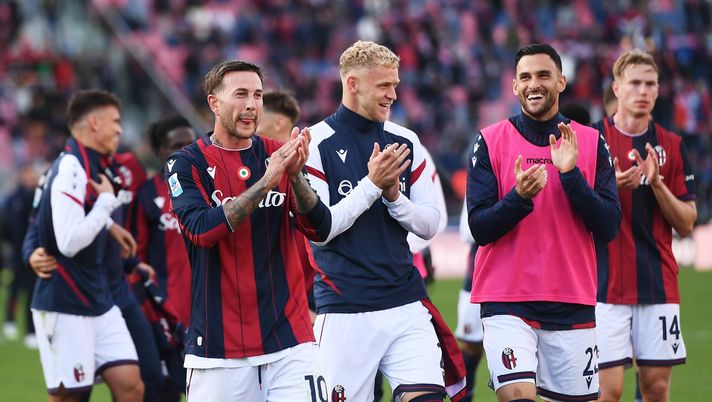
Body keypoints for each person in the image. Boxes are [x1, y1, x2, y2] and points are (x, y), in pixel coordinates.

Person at [306, 40, 464, 402]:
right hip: (345, 307)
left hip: (405, 301)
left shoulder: (405, 140)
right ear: (352, 84)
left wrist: (394, 198)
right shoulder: (316, 142)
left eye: (395, 84)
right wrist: (372, 185)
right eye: (383, 85)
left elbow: (429, 225)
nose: (393, 94)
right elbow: (323, 229)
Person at [166, 60, 330, 402]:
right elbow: (200, 230)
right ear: (214, 103)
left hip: (290, 341)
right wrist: (268, 181)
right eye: (240, 94)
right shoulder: (186, 163)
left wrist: (296, 177)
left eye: (257, 95)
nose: (252, 104)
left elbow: (320, 228)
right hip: (218, 349)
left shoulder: (279, 154)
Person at [466, 43, 621, 402]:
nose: (534, 84)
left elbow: (610, 226)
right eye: (525, 77)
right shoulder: (489, 141)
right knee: (518, 396)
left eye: (543, 75)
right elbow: (480, 227)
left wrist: (571, 176)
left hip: (573, 299)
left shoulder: (591, 142)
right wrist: (518, 198)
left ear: (561, 82)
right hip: (507, 301)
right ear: (515, 87)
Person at [26, 90, 144, 402]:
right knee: (69, 397)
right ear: (93, 123)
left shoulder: (93, 166)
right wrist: (106, 204)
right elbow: (67, 242)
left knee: (131, 386)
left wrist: (108, 225)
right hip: (65, 301)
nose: (120, 129)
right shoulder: (70, 167)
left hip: (98, 298)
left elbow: (77, 215)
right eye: (115, 122)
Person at [593, 49, 697, 402]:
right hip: (603, 288)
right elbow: (568, 210)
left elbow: (686, 223)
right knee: (607, 393)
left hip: (658, 286)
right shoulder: (591, 140)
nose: (643, 90)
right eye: (635, 83)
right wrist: (609, 187)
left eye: (650, 83)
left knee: (656, 389)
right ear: (617, 88)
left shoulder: (672, 145)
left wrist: (657, 184)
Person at [2, 162, 41, 348]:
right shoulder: (13, 199)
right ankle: (9, 321)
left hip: (33, 253)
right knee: (15, 290)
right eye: (27, 173)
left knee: (32, 293)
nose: (31, 177)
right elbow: (6, 227)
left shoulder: (38, 197)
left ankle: (31, 330)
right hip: (17, 253)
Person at [454, 202, 483, 402]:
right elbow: (467, 230)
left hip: (522, 279)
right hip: (477, 281)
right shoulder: (479, 171)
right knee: (470, 346)